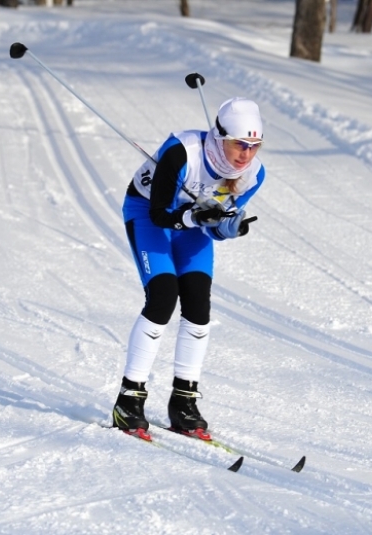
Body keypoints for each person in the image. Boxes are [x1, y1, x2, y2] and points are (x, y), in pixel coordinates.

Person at [112, 97, 266, 441]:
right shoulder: (182, 152)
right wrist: (194, 217)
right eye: (239, 144)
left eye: (254, 146)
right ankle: (129, 399)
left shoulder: (254, 174)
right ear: (219, 135)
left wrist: (224, 228)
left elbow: (219, 219)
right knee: (163, 296)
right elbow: (158, 213)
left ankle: (184, 402)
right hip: (150, 215)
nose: (245, 154)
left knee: (198, 305)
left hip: (189, 227)